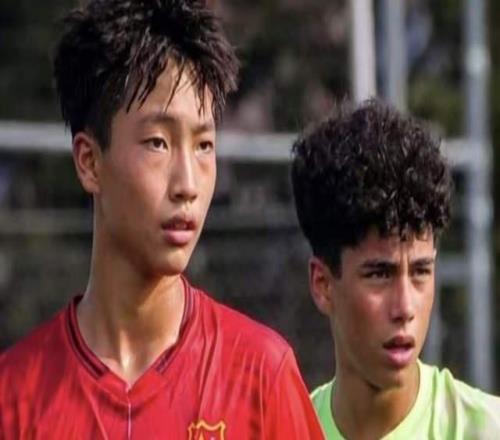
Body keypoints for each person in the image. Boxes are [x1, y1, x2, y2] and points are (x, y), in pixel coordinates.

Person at [0, 1, 324, 438]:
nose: (187, 183)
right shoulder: (14, 399)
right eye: (158, 143)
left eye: (204, 145)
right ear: (89, 162)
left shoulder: (262, 376)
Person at [290, 98, 500, 439]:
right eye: (379, 275)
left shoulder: (485, 429)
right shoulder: (289, 430)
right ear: (323, 284)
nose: (405, 307)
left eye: (420, 271)